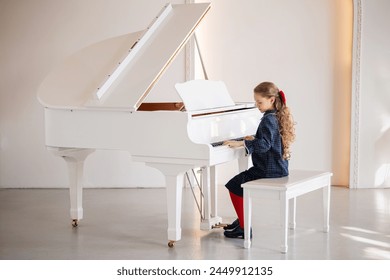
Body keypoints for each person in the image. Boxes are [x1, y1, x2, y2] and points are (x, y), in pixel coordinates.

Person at [222, 81, 296, 239]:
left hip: (268, 169)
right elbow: (270, 139)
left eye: (260, 102)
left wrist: (242, 142)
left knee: (234, 185)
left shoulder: (268, 119)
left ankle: (244, 227)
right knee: (240, 184)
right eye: (256, 101)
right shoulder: (276, 115)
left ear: (271, 100)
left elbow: (264, 145)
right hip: (279, 167)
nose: (257, 105)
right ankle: (242, 219)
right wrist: (254, 137)